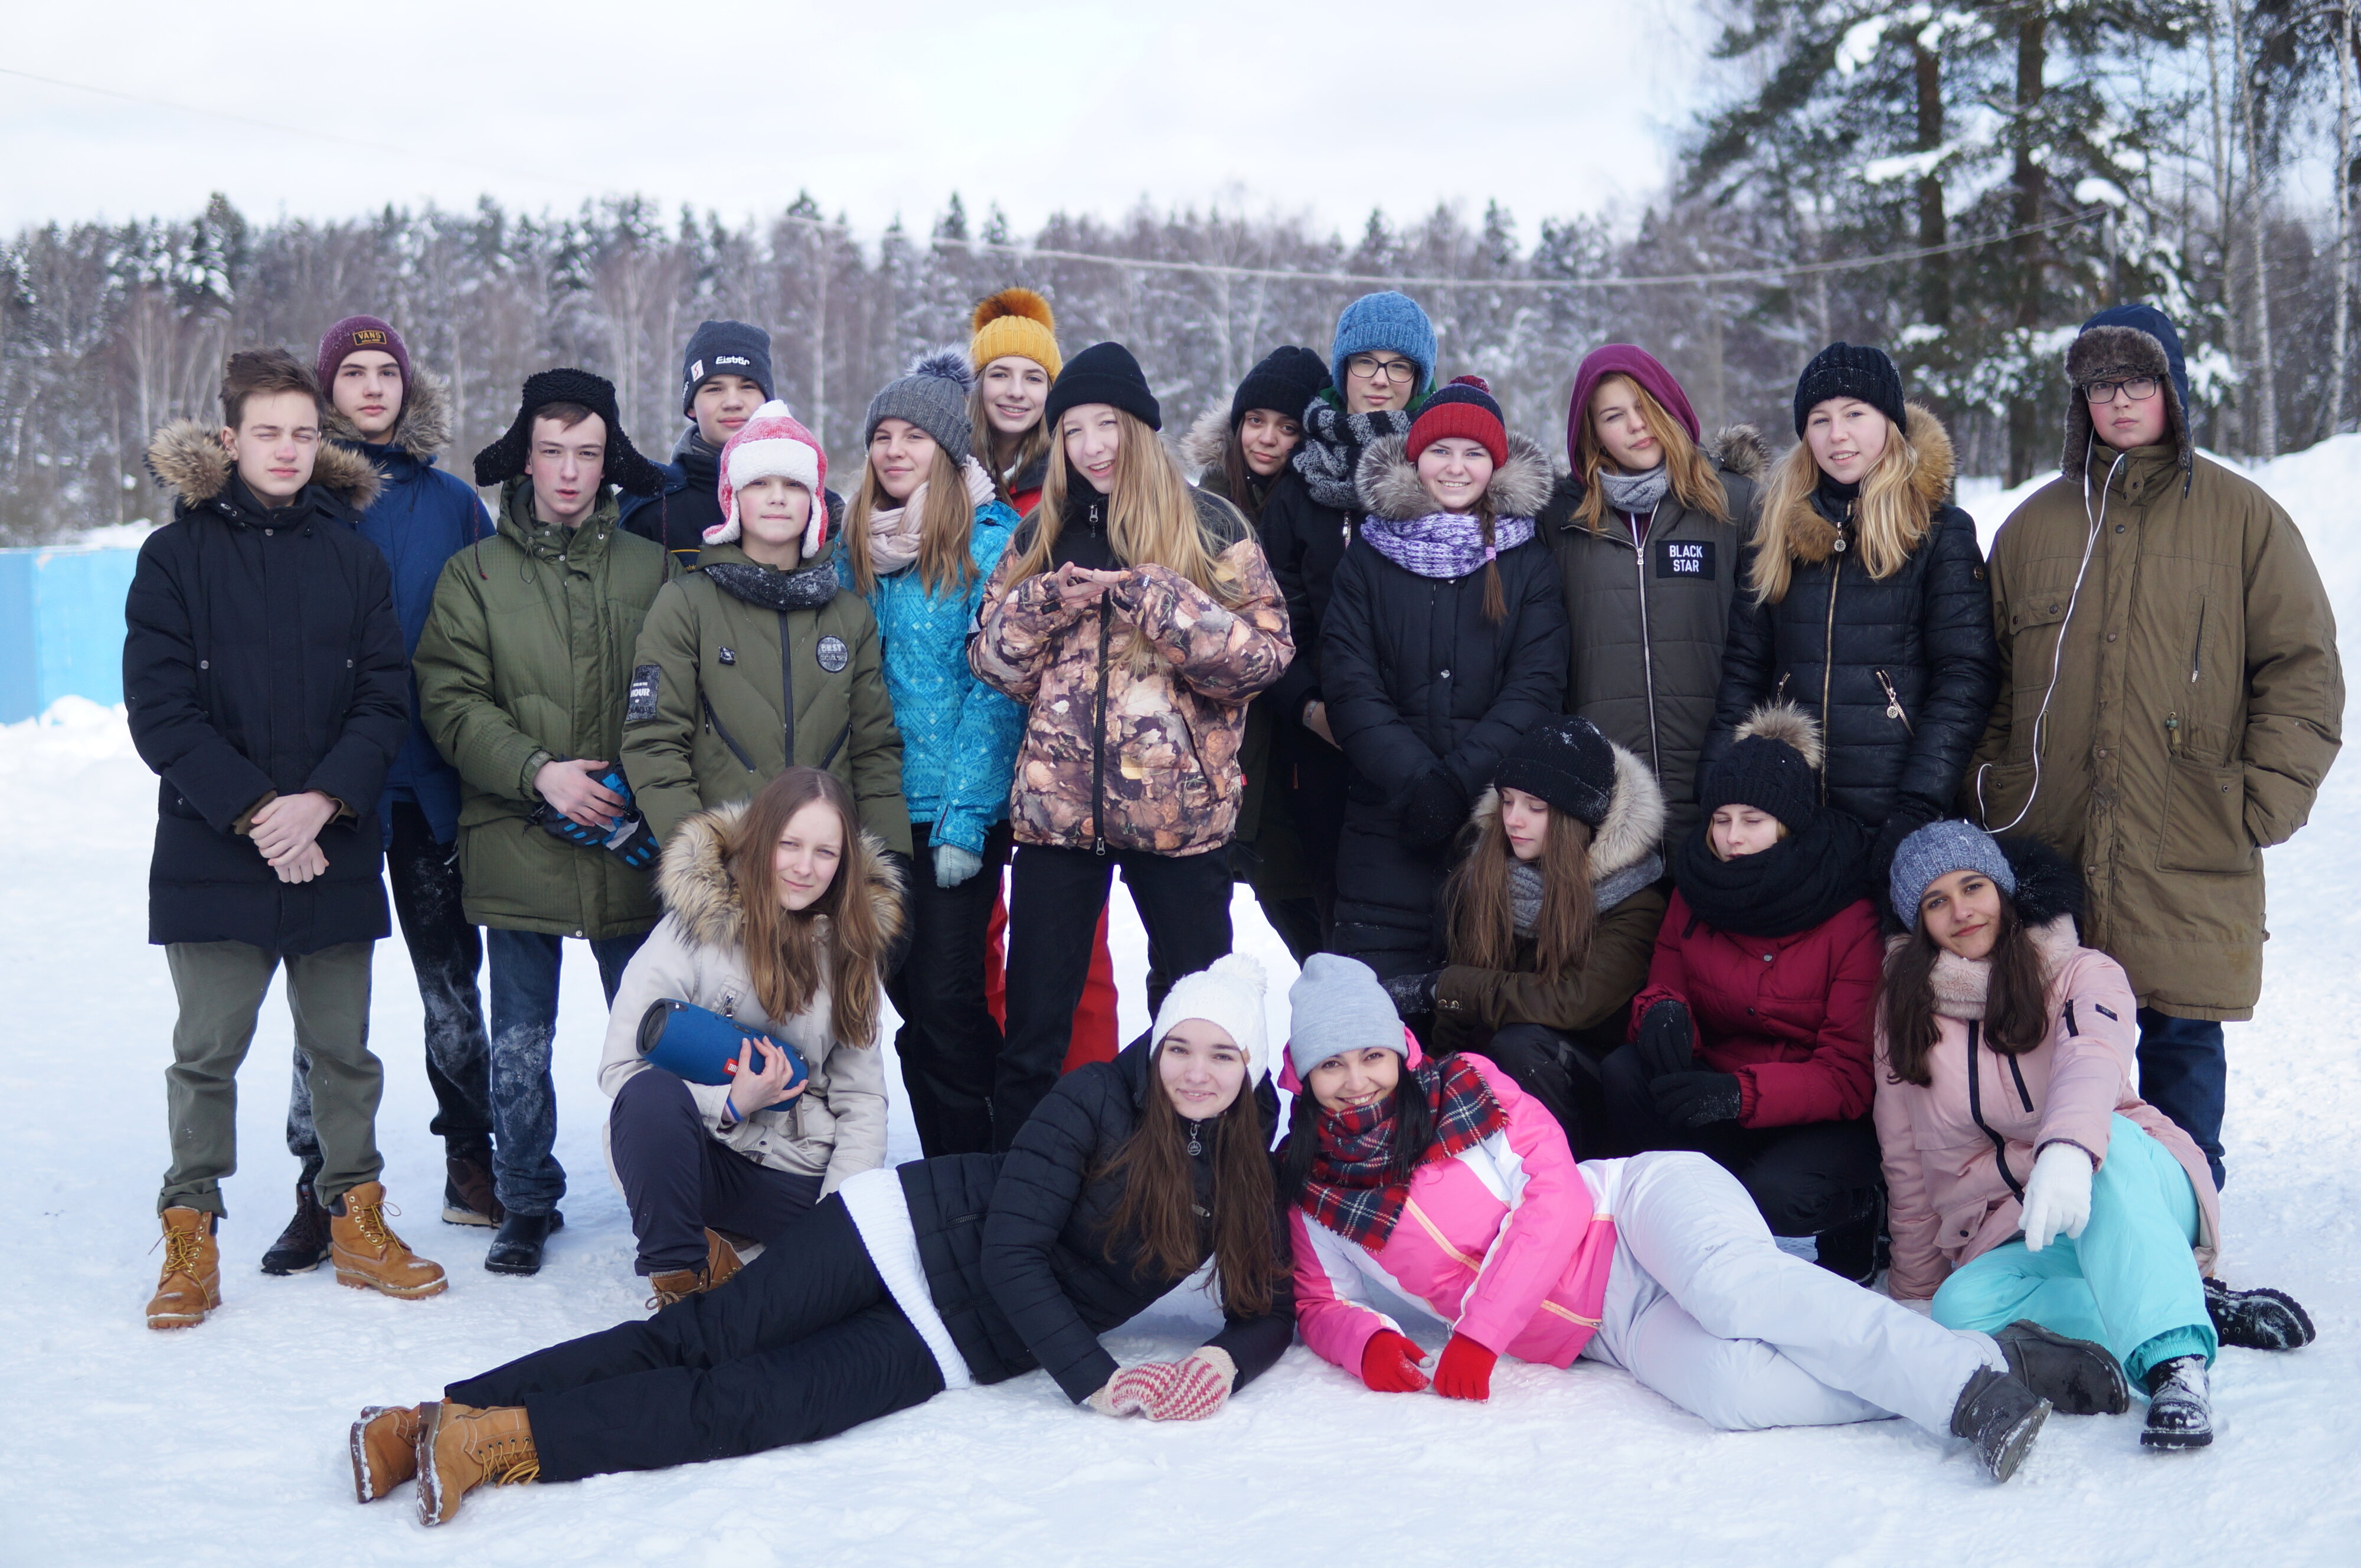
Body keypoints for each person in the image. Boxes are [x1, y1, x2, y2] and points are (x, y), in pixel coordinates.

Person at [345, 954, 1293, 1527]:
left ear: (1249, 1067)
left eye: (1223, 1054)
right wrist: (1094, 1376)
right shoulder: (1097, 1098)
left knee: (753, 1405)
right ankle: (434, 1417)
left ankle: (488, 1442)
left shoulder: (1250, 1166)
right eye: (1181, 1046)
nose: (1198, 1072)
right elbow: (1011, 1249)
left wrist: (1222, 1360)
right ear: (1157, 1044)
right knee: (700, 1338)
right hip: (901, 1236)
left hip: (951, 1342)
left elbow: (1270, 1307)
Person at [1278, 954, 2113, 1484]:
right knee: (1734, 1390)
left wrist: (1478, 1333)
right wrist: (1371, 1344)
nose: (1358, 1081)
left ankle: (1965, 1394)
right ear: (1302, 1072)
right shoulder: (1318, 1196)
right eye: (1334, 1064)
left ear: (1399, 1049)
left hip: (1635, 1210)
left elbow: (1559, 1195)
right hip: (1602, 1329)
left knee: (1738, 1294)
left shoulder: (1468, 1085)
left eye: (1371, 1055)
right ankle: (1997, 1357)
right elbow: (1323, 1305)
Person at [1967, 304, 2344, 1191]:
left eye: (2138, 380)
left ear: (2171, 390)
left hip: (2189, 833)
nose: (2121, 400)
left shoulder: (2244, 519)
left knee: (2179, 1044)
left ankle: (2187, 1236)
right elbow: (1984, 675)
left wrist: (2265, 797)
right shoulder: (2036, 526)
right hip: (2047, 838)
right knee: (2050, 1043)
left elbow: (2303, 668)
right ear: (2081, 403)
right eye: (2101, 385)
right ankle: (2052, 1227)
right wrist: (1986, 787)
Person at [127, 347, 443, 1328]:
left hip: (333, 840)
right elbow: (161, 710)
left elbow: (384, 696)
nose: (288, 449)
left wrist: (324, 803)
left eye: (304, 433)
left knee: (342, 1050)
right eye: (268, 431)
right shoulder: (173, 558)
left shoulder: (351, 555)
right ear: (230, 439)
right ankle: (191, 1232)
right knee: (207, 1050)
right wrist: (263, 812)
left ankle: (356, 1219)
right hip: (214, 843)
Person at [1876, 820, 2316, 1450]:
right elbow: (1905, 1154)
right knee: (1958, 1312)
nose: (1960, 910)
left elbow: (2093, 1058)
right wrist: (1914, 1287)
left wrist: (2068, 1149)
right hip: (2021, 1221)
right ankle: (2188, 1300)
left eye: (1972, 885)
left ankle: (2174, 1366)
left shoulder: (2079, 971)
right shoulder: (1904, 1009)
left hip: (2132, 1178)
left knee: (2103, 1139)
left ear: (2002, 889)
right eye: (1935, 900)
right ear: (1916, 921)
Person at [969, 342, 1293, 1147]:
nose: (1090, 447)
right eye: (1072, 430)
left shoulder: (1209, 524)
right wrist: (1042, 604)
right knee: (1033, 1030)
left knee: (1194, 1020)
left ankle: (1204, 1180)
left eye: (1106, 425)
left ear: (1139, 428)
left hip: (1181, 822)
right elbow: (990, 660)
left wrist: (1167, 608)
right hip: (1057, 823)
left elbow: (1265, 659)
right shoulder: (1037, 534)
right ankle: (1022, 1195)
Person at [252, 316, 499, 1282]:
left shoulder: (448, 504)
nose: (369, 386)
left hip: (429, 788)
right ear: (325, 392)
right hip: (326, 796)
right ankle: (323, 1191)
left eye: (384, 371)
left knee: (452, 992)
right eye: (350, 372)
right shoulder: (293, 500)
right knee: (326, 1004)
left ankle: (470, 1160)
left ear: (407, 387)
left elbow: (484, 633)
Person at [413, 369, 671, 1276]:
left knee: (651, 1030)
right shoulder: (474, 574)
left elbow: (678, 699)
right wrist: (539, 774)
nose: (570, 472)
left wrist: (632, 788)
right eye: (553, 452)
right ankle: (525, 1197)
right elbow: (449, 700)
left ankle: (669, 1195)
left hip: (627, 838)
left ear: (610, 462)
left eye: (588, 454)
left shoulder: (652, 569)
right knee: (521, 1039)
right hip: (517, 836)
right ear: (527, 456)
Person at [1602, 704, 1885, 1279]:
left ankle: (1852, 1221)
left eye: (1751, 819)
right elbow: (1665, 982)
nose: (1731, 837)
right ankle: (1675, 1222)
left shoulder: (1848, 911)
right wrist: (1660, 1015)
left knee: (1778, 1193)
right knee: (1624, 1070)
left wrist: (1740, 1094)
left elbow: (1850, 1075)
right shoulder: (1696, 888)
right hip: (1718, 1089)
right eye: (1721, 818)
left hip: (1814, 1115)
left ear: (1787, 822)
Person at [599, 769, 899, 1304]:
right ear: (762, 840)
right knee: (647, 1098)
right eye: (790, 844)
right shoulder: (691, 928)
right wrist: (730, 1103)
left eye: (826, 853)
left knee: (850, 1281)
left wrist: (834, 1226)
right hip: (702, 1156)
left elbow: (862, 1100)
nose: (805, 868)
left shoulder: (853, 947)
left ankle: (746, 1248)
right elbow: (621, 1072)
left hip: (794, 1166)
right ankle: (681, 1278)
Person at [1702, 342, 1999, 870]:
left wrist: (1918, 802)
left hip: (1897, 810)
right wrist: (1718, 791)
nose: (1837, 434)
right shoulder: (1775, 529)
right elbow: (1744, 675)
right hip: (1788, 811)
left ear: (1889, 421)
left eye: (1855, 414)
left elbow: (1965, 677)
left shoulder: (1938, 533)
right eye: (1820, 419)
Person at [839, 351, 1026, 1155]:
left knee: (949, 1000)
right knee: (909, 997)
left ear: (949, 452)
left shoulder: (993, 543)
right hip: (874, 811)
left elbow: (999, 687)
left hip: (955, 815)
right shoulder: (855, 547)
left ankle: (978, 1162)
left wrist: (967, 816)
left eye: (914, 435)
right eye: (882, 435)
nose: (893, 450)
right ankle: (947, 1159)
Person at [1322, 375, 1569, 980]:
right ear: (1415, 458)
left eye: (1474, 453)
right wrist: (1414, 781)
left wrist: (1457, 784)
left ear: (1496, 466)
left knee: (1476, 1010)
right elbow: (1349, 679)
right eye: (1440, 450)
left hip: (1493, 819)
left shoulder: (1529, 559)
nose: (1455, 468)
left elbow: (1536, 685)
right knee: (1378, 1016)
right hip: (1384, 820)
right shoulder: (1368, 555)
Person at [619, 398, 909, 856]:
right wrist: (699, 857)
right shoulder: (685, 604)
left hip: (826, 871)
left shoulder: (850, 616)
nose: (777, 497)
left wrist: (885, 867)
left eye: (793, 484)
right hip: (728, 865)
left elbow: (875, 751)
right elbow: (654, 743)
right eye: (760, 483)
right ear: (734, 497)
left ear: (813, 501)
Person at [1389, 714, 1667, 1157]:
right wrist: (1434, 1080)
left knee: (1519, 1044)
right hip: (1501, 1081)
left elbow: (1571, 999)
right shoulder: (1490, 869)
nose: (1515, 819)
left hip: (1590, 1089)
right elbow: (1464, 998)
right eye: (1508, 800)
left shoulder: (1634, 897)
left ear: (1578, 817)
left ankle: (1568, 1175)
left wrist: (1445, 986)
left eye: (1536, 807)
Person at [966, 286, 1121, 1072]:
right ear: (978, 385)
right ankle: (1001, 1101)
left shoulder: (1071, 491)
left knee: (1073, 945)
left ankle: (1088, 1095)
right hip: (958, 745)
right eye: (1002, 375)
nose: (1016, 392)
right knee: (975, 940)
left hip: (1057, 753)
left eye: (1034, 377)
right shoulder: (941, 480)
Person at [1256, 292, 1438, 936]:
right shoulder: (1301, 489)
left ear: (1420, 380)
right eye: (1365, 362)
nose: (1382, 379)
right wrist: (1310, 706)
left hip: (1431, 740)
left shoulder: (1446, 472)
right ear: (1342, 372)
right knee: (1337, 926)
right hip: (1327, 745)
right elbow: (1271, 621)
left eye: (1399, 366)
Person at [1541, 344, 1769, 849]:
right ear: (1591, 431)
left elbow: (1768, 645)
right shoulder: (1560, 522)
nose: (1636, 425)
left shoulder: (1735, 504)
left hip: (1725, 795)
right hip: (1609, 802)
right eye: (1613, 416)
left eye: (1645, 406)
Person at [1181, 343, 1333, 962]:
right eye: (1255, 421)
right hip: (1218, 747)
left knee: (1312, 923)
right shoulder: (1204, 509)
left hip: (1303, 737)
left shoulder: (1323, 508)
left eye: (1288, 426)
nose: (1267, 439)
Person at [619, 319, 784, 569]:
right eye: (715, 389)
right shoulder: (653, 506)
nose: (732, 402)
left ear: (767, 400)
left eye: (747, 386)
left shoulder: (807, 502)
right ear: (691, 406)